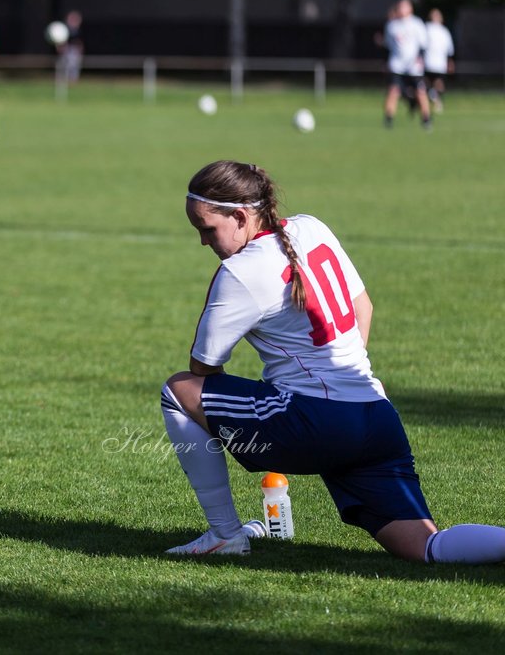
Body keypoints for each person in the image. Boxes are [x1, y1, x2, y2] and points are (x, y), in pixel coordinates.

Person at [160, 160, 505, 563]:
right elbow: (364, 308)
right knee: (425, 546)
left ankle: (225, 534)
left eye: (207, 229)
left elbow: (202, 372)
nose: (203, 241)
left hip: (317, 421)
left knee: (176, 389)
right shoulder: (312, 227)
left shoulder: (239, 272)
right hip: (376, 417)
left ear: (239, 216)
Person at [382, 0, 431, 130]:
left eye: (404, 7)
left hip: (414, 66)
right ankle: (388, 120)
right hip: (397, 65)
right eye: (400, 7)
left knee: (420, 92)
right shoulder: (392, 26)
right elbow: (388, 46)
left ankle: (426, 119)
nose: (401, 10)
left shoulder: (417, 24)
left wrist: (419, 58)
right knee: (393, 91)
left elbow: (423, 44)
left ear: (410, 9)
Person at [424, 8, 454, 113]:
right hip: (428, 62)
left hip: (440, 63)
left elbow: (449, 49)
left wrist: (450, 62)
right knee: (426, 84)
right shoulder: (426, 28)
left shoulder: (444, 31)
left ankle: (435, 100)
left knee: (439, 84)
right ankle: (431, 101)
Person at [54, 10, 83, 93]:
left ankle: (73, 84)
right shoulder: (64, 29)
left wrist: (80, 50)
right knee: (62, 67)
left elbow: (79, 42)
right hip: (66, 51)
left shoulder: (78, 31)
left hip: (74, 52)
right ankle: (61, 84)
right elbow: (60, 40)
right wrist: (60, 47)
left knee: (73, 68)